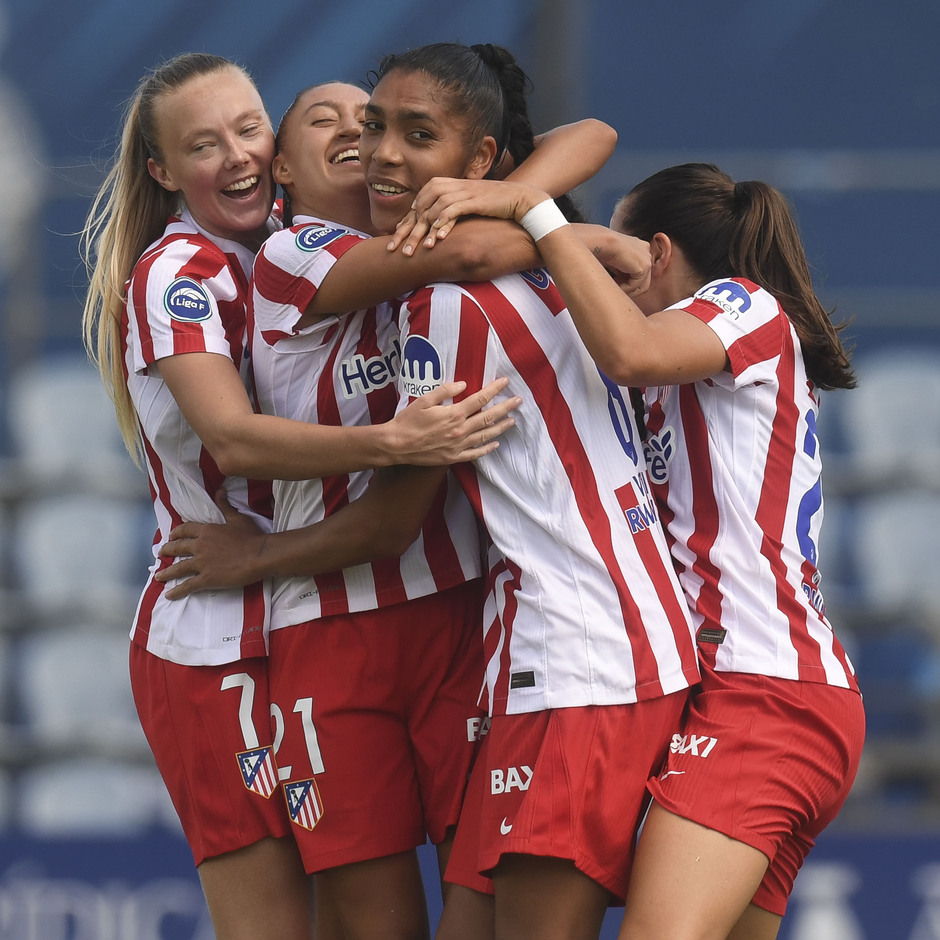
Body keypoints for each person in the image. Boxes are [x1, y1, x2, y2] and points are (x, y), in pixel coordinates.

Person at [155, 42, 691, 940]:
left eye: (377, 121)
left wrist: (523, 209)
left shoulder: (434, 276)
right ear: (283, 168)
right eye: (331, 121)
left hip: (465, 621)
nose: (361, 137)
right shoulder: (294, 256)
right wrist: (578, 233)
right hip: (333, 629)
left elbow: (588, 132)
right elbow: (477, 250)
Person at [78, 52, 518, 940]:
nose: (236, 156)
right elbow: (233, 436)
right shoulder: (183, 272)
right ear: (162, 172)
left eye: (247, 129)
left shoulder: (322, 245)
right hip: (215, 636)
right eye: (205, 145)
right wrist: (393, 442)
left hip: (297, 611)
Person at [403, 161, 865, 940]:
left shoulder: (743, 305)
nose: (604, 278)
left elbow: (631, 353)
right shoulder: (683, 365)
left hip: (764, 691)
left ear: (658, 250)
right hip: (747, 693)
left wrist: (539, 218)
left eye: (618, 257)